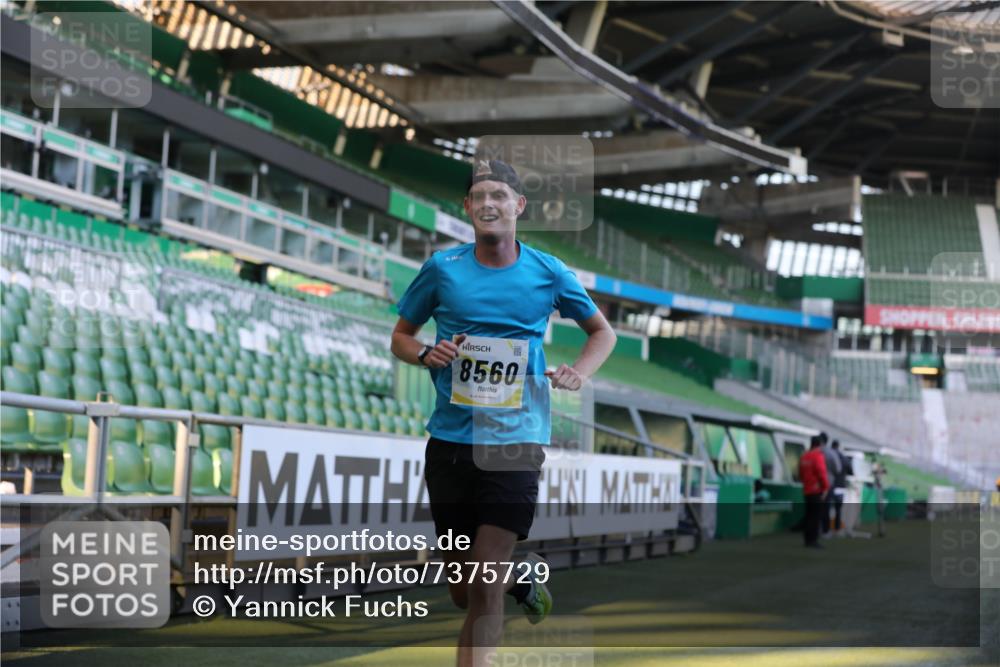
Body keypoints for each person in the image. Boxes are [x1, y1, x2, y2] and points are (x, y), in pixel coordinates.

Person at [390, 159, 617, 667]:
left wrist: (579, 372)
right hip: (451, 443)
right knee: (462, 589)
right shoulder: (442, 269)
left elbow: (603, 333)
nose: (489, 203)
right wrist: (425, 353)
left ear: (519, 205)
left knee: (483, 584)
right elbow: (400, 336)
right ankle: (523, 579)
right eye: (480, 196)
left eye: (499, 195)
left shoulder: (548, 272)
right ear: (467, 207)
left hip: (516, 441)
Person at [799, 434, 831, 549]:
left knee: (808, 515)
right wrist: (826, 487)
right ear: (820, 444)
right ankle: (813, 540)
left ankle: (807, 539)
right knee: (816, 516)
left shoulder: (804, 456)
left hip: (807, 490)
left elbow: (800, 474)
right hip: (816, 490)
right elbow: (822, 473)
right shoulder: (818, 456)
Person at [821, 432, 841, 536]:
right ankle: (825, 530)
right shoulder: (831, 453)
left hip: (815, 484)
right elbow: (838, 469)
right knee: (826, 507)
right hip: (828, 483)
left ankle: (815, 530)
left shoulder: (813, 452)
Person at [830, 440, 852, 536]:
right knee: (838, 509)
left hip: (830, 485)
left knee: (826, 508)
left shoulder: (828, 455)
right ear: (839, 447)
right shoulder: (844, 458)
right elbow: (851, 471)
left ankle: (825, 528)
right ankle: (837, 528)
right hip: (841, 486)